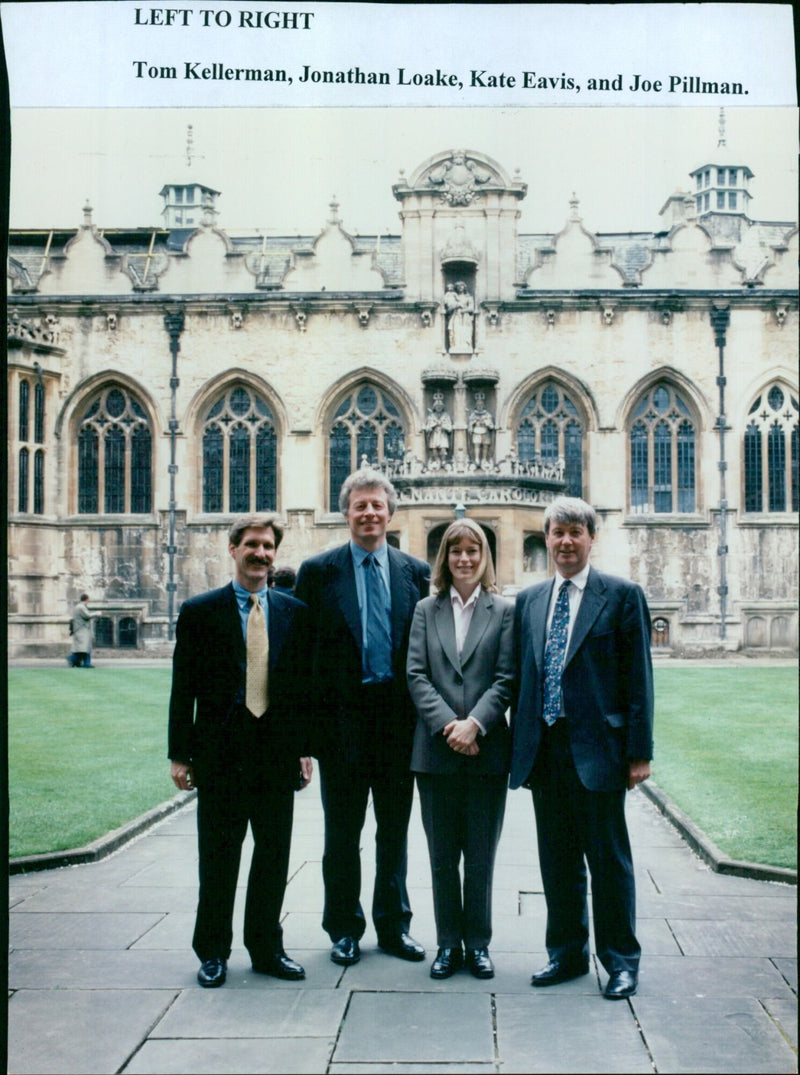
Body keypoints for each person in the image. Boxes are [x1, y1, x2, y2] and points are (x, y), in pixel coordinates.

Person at [509, 496, 654, 1000]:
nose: (566, 542)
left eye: (575, 532)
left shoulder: (621, 595)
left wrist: (640, 752)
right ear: (546, 539)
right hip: (545, 750)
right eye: (557, 533)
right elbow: (523, 676)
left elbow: (639, 680)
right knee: (558, 859)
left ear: (592, 538)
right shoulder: (529, 601)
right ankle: (566, 953)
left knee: (608, 860)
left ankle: (620, 961)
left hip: (599, 751)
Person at [168, 513, 313, 989]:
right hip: (221, 756)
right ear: (233, 549)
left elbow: (299, 691)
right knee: (219, 859)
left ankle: (267, 948)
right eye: (252, 545)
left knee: (273, 859)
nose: (261, 554)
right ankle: (212, 951)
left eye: (268, 546)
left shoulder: (293, 612)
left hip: (276, 756)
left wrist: (304, 749)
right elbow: (182, 688)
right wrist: (180, 754)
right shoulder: (199, 611)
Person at [294, 468, 430, 967]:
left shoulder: (415, 572)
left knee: (394, 832)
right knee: (342, 834)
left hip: (398, 726)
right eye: (360, 505)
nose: (369, 513)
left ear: (390, 513)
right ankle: (344, 928)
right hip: (341, 727)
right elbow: (301, 660)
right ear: (345, 512)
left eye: (377, 505)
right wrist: (303, 740)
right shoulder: (318, 572)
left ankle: (394, 926)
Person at [407, 519, 514, 980]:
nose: (465, 559)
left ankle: (479, 944)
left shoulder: (504, 611)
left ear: (485, 556)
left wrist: (475, 725)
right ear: (444, 558)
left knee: (482, 856)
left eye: (473, 550)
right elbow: (416, 674)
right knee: (441, 855)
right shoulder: (425, 610)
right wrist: (450, 725)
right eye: (456, 551)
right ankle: (448, 944)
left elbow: (507, 677)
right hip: (435, 752)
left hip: (487, 752)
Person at [69, 594, 97, 667]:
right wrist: (97, 613)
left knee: (82, 649)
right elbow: (87, 615)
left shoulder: (79, 607)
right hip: (82, 630)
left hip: (81, 630)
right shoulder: (81, 607)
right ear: (87, 599)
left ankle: (78, 662)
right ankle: (74, 660)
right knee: (85, 648)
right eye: (88, 600)